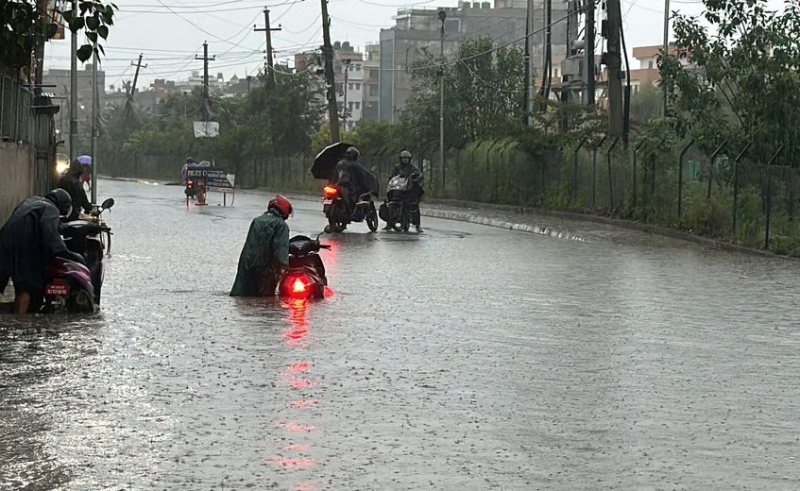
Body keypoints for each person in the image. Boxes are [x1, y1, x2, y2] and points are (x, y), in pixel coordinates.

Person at [0, 189, 84, 314]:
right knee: (27, 287)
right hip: (22, 248)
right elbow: (50, 235)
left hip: (4, 241)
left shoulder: (31, 201)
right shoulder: (51, 209)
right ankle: (19, 322)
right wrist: (67, 254)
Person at [230, 196, 293, 297]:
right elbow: (280, 248)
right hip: (266, 267)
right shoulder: (281, 225)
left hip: (247, 262)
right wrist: (284, 267)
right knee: (264, 297)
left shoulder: (257, 220)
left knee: (244, 293)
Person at [383, 150, 425, 233]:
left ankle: (418, 225)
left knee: (414, 205)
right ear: (400, 159)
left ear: (409, 159)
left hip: (408, 189)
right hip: (397, 188)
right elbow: (391, 175)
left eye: (407, 158)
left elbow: (419, 175)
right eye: (403, 158)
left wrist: (416, 178)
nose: (405, 160)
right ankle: (389, 223)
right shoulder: (396, 167)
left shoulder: (413, 168)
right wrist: (391, 178)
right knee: (390, 202)